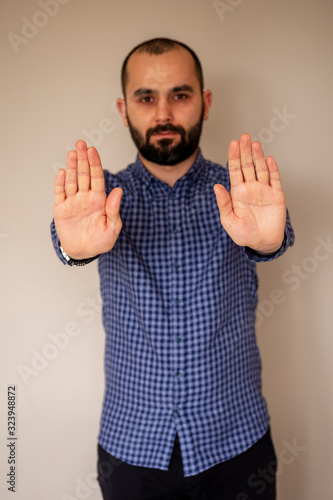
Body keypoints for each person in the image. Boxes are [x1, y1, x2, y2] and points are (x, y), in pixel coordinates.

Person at [51, 38, 294, 500]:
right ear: (124, 109)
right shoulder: (100, 199)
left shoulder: (243, 190)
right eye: (146, 97)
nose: (163, 113)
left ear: (203, 103)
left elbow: (274, 238)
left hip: (237, 442)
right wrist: (74, 250)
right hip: (133, 449)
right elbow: (68, 244)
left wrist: (268, 242)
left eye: (179, 95)